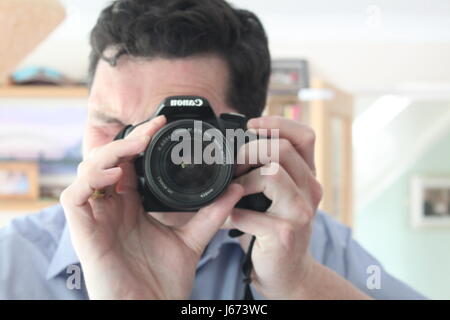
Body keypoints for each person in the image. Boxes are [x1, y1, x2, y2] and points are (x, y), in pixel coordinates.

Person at [0, 0, 425, 300]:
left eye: (178, 133)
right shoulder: (12, 258)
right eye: (111, 122)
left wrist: (298, 285)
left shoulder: (308, 243)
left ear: (249, 135)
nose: (134, 150)